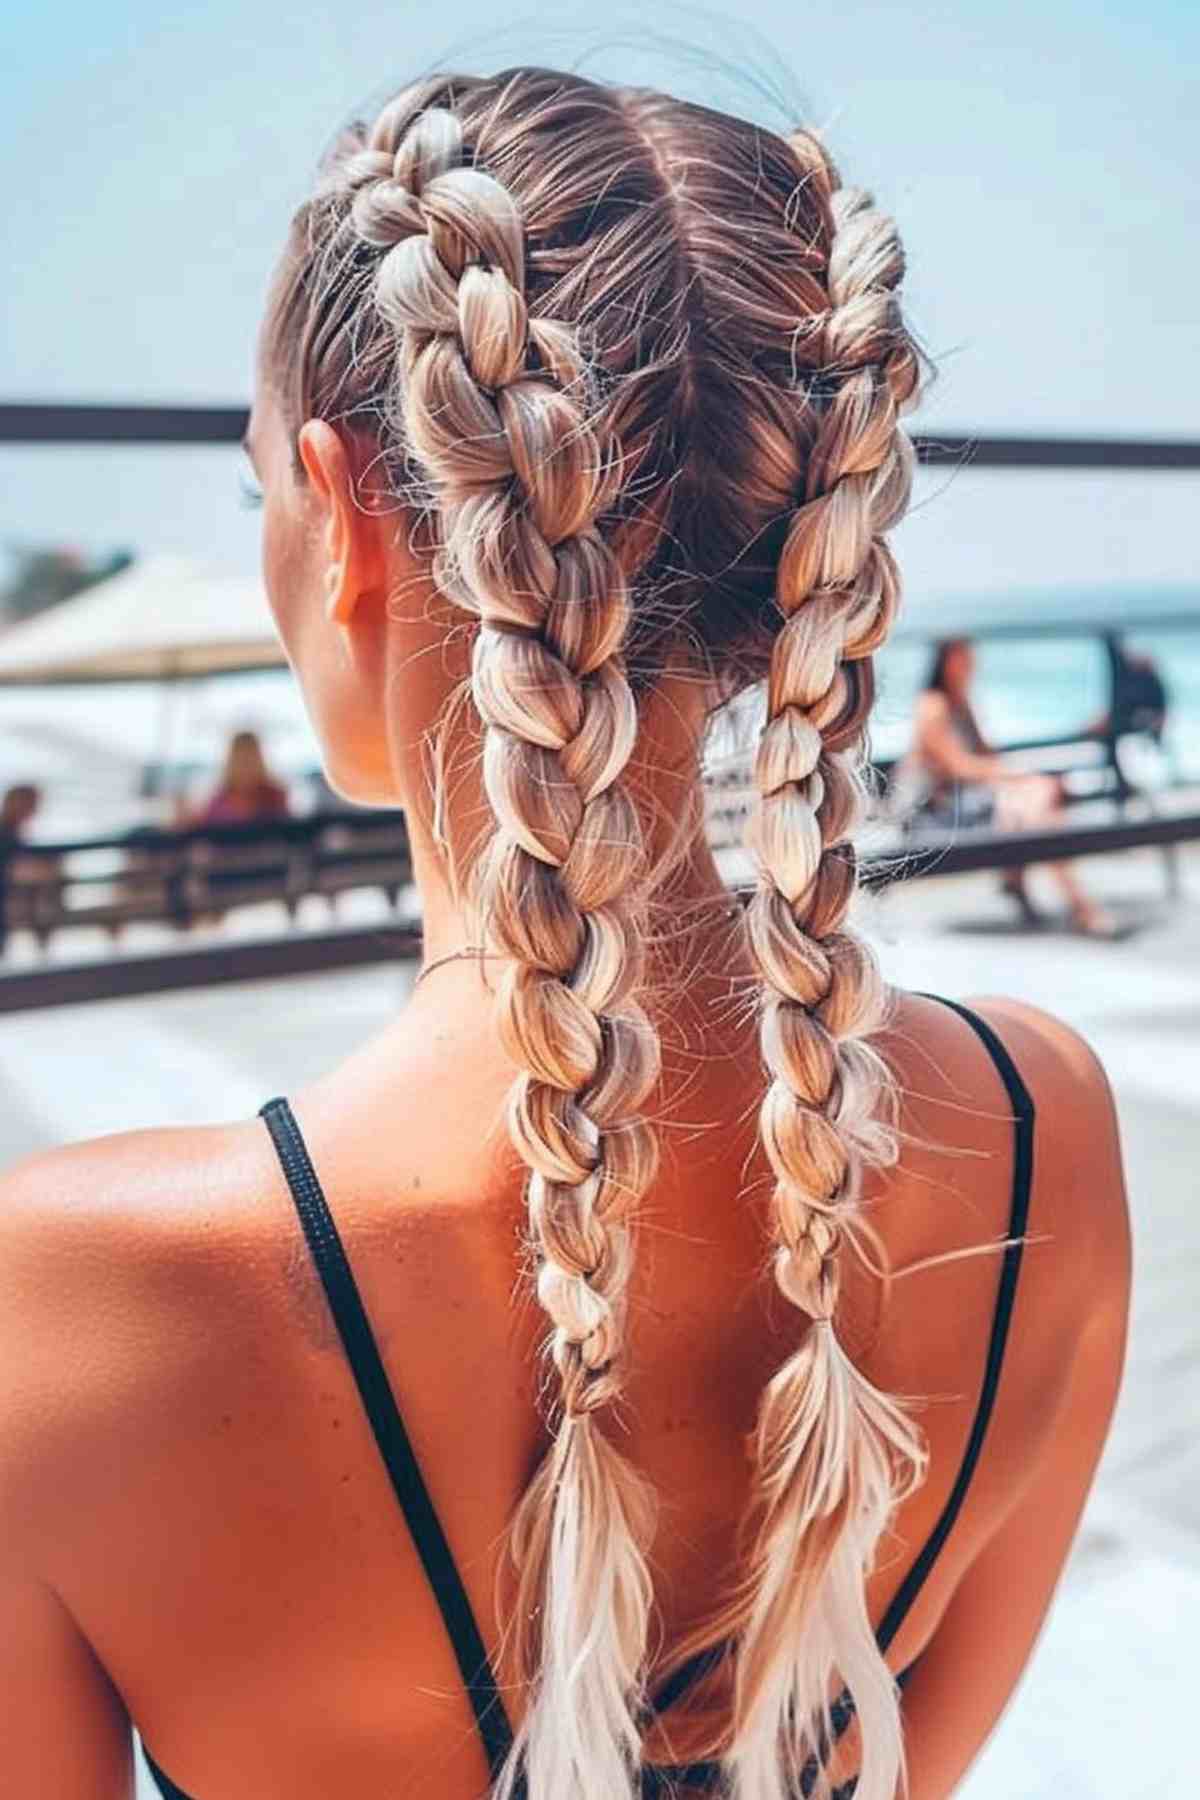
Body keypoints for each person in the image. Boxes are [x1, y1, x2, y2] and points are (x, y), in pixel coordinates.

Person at [0, 69, 1129, 1800]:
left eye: (258, 505)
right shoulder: (1046, 1132)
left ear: (348, 508)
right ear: (796, 547)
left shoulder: (64, 1299)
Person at [902, 637, 1120, 936]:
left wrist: (1016, 776)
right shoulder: (933, 705)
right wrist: (1016, 776)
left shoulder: (961, 703)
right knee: (1036, 803)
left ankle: (1039, 888)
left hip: (970, 800)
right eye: (964, 659)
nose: (971, 666)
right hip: (939, 813)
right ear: (946, 660)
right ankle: (1074, 903)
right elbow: (958, 767)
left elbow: (987, 757)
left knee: (1036, 802)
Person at [182, 727, 291, 826]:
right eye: (241, 760)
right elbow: (201, 832)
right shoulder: (218, 801)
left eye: (250, 759)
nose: (246, 767)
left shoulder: (276, 798)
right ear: (231, 762)